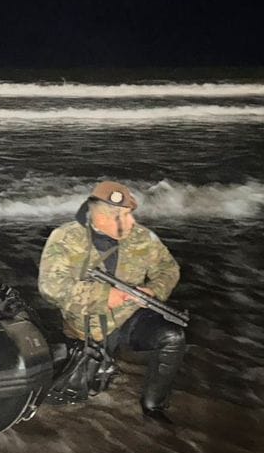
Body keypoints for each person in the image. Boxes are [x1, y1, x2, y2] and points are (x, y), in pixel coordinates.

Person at [38, 180, 186, 424]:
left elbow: (168, 269)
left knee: (173, 336)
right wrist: (104, 296)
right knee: (73, 400)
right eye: (123, 216)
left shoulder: (142, 237)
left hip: (129, 316)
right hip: (85, 325)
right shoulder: (65, 238)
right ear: (99, 217)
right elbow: (51, 288)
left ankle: (153, 406)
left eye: (130, 215)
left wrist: (153, 291)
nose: (132, 223)